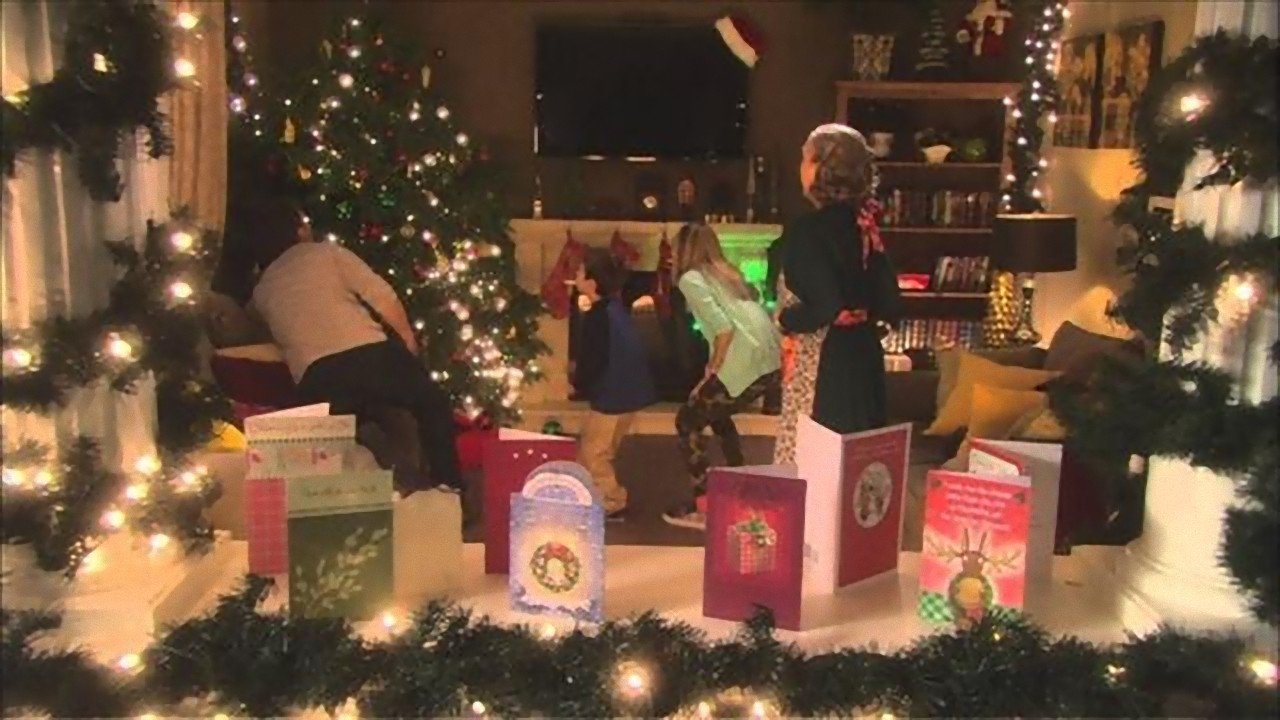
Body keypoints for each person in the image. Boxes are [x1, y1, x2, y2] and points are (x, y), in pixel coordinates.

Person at [246, 198, 463, 494]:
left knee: (344, 435)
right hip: (369, 354)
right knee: (431, 403)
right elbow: (383, 296)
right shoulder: (327, 253)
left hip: (316, 378)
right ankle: (449, 489)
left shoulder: (262, 289)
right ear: (298, 231)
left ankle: (375, 475)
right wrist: (408, 343)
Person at [773, 124, 896, 464]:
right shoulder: (864, 225)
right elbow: (890, 299)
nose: (800, 167)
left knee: (819, 466)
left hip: (826, 367)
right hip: (864, 358)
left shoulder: (809, 231)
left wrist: (785, 318)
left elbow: (826, 305)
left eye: (804, 158)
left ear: (820, 168)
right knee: (858, 466)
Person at [663, 224, 781, 529]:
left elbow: (724, 329)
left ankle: (705, 506)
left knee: (687, 421)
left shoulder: (691, 279)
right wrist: (710, 372)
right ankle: (739, 487)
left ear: (685, 250)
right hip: (768, 364)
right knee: (714, 412)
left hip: (743, 362)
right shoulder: (726, 273)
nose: (671, 254)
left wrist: (713, 369)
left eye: (675, 248)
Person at [572, 247, 656, 520]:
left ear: (592, 282)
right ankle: (594, 495)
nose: (575, 276)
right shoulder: (615, 309)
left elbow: (594, 357)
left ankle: (612, 500)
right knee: (600, 449)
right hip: (628, 392)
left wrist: (581, 382)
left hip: (612, 395)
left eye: (580, 272)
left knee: (594, 452)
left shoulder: (598, 316)